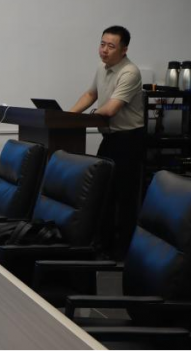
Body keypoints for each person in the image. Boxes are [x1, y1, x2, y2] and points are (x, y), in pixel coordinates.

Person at [69, 25, 145, 258]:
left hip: (129, 140)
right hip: (110, 138)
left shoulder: (130, 72)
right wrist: (68, 116)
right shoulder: (102, 68)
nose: (104, 50)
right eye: (102, 44)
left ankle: (123, 253)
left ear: (124, 50)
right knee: (103, 192)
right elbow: (91, 94)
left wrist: (89, 116)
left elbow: (111, 108)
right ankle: (102, 245)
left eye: (111, 46)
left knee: (124, 196)